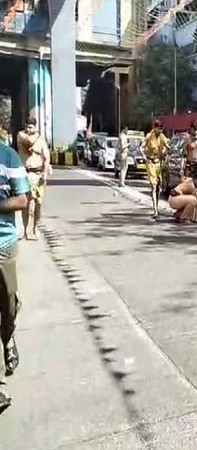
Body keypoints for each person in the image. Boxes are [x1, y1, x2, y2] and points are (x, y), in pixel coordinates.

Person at [0, 139, 30, 413]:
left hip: (4, 245)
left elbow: (23, 199)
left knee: (8, 306)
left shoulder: (9, 158)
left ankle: (7, 336)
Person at [17, 118, 50, 240]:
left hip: (37, 174)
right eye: (27, 126)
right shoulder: (21, 136)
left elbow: (46, 158)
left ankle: (35, 228)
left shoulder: (41, 141)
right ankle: (25, 230)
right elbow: (30, 140)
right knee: (25, 203)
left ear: (35, 127)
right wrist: (36, 138)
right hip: (24, 174)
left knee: (39, 202)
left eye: (31, 127)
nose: (28, 129)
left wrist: (45, 172)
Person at [142, 120, 170, 219]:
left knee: (159, 187)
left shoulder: (162, 137)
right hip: (150, 162)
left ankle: (157, 207)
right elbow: (141, 147)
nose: (160, 130)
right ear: (155, 128)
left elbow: (168, 146)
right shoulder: (149, 136)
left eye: (161, 128)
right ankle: (155, 210)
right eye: (159, 128)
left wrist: (166, 151)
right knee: (153, 186)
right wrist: (144, 156)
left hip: (158, 163)